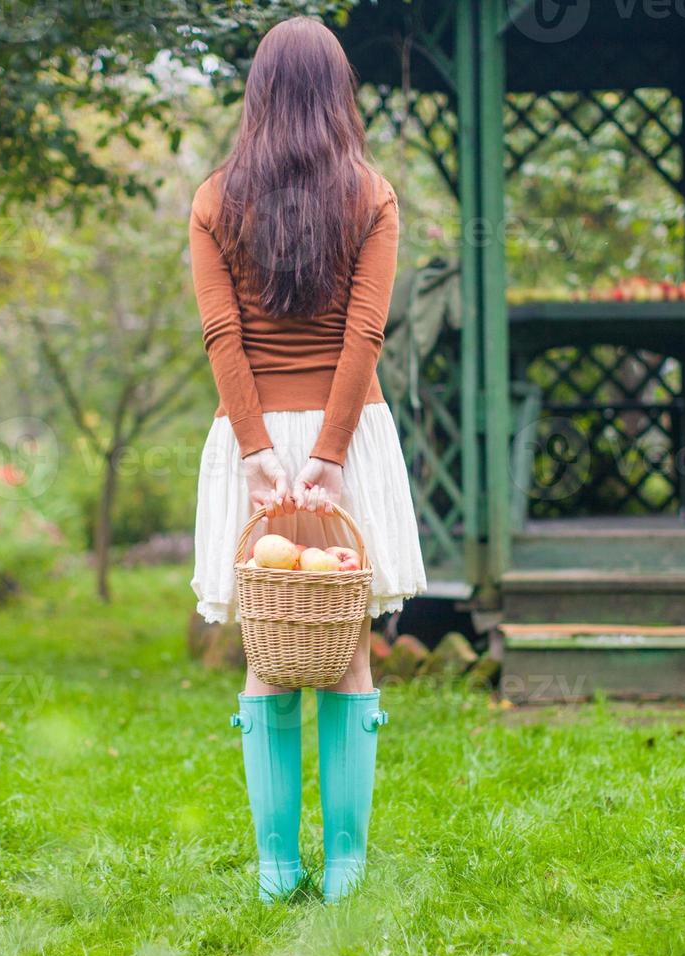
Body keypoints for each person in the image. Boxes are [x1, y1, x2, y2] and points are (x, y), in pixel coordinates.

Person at [188, 16, 427, 903]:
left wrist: (256, 450)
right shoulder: (372, 193)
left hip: (252, 445)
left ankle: (276, 866)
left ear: (257, 94)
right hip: (347, 438)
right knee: (346, 645)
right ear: (340, 94)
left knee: (270, 643)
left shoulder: (216, 198)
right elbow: (365, 332)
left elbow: (223, 333)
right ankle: (348, 870)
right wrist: (327, 456)